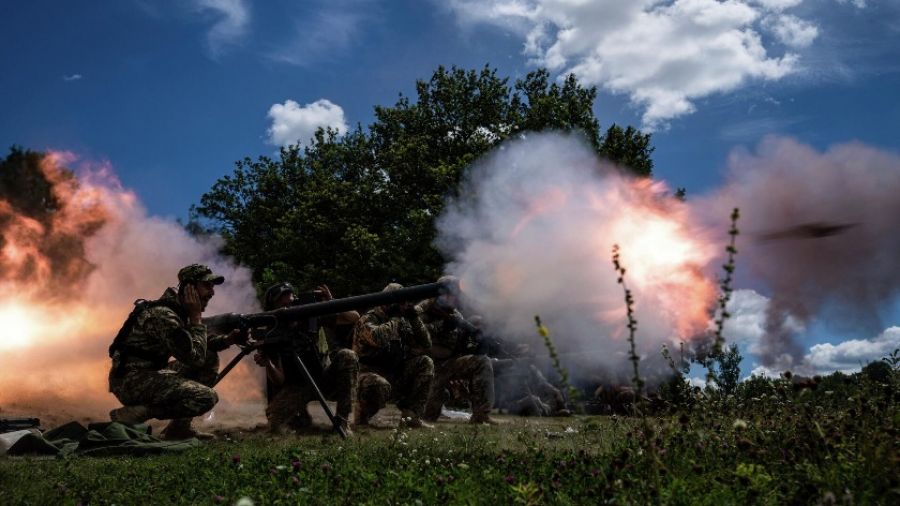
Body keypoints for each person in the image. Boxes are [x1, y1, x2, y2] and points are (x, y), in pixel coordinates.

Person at [107, 264, 242, 440]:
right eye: (207, 286)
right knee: (206, 398)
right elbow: (195, 358)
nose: (212, 292)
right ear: (189, 288)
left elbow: (198, 347)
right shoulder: (164, 315)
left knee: (209, 357)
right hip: (130, 380)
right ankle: (141, 412)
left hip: (149, 372)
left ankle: (179, 429)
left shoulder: (178, 311)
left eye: (212, 287)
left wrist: (228, 340)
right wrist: (196, 319)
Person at [252, 282, 358, 434]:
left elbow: (353, 318)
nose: (289, 309)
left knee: (348, 356)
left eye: (292, 303)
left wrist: (332, 301)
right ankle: (301, 416)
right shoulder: (272, 334)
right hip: (297, 387)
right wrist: (267, 363)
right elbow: (279, 379)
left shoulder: (312, 318)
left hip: (324, 379)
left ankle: (342, 422)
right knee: (277, 424)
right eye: (283, 306)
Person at [416, 277, 496, 424]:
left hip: (447, 365)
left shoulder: (455, 315)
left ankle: (481, 415)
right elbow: (412, 335)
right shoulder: (422, 310)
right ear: (442, 294)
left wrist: (477, 343)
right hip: (424, 367)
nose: (456, 299)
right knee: (427, 416)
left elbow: (459, 346)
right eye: (453, 295)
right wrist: (441, 326)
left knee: (482, 362)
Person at [353, 283, 434, 428]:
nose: (405, 305)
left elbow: (426, 344)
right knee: (378, 384)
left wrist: (414, 318)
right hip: (367, 374)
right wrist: (396, 318)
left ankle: (412, 416)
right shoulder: (369, 318)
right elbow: (378, 338)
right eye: (402, 302)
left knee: (425, 362)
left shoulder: (401, 320)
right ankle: (362, 416)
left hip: (393, 373)